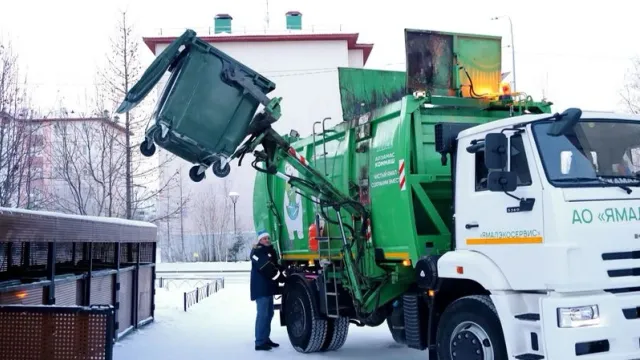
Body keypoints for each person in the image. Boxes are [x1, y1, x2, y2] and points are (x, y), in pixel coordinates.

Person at [250, 230, 286, 351]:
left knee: (269, 314)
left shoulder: (269, 251)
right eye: (264, 238)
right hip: (261, 289)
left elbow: (274, 265)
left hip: (268, 288)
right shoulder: (256, 252)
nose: (267, 240)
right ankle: (259, 342)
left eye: (268, 238)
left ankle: (266, 338)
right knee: (262, 315)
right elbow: (266, 267)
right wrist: (281, 277)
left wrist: (284, 268)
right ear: (259, 240)